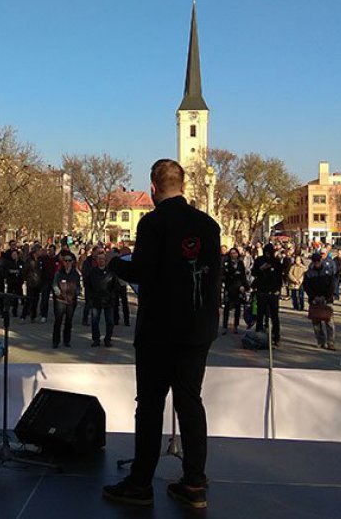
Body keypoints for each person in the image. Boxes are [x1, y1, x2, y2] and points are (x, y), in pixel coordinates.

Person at [103, 159, 221, 510]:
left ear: (153, 187)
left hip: (159, 331)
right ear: (182, 185)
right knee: (191, 403)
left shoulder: (153, 223)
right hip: (197, 330)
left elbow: (142, 272)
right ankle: (194, 483)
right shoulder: (209, 225)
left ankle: (140, 484)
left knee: (151, 406)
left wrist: (114, 262)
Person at [302, 252, 336, 350]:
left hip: (327, 300)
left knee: (329, 322)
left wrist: (326, 297)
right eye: (315, 262)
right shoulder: (309, 273)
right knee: (316, 323)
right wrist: (313, 297)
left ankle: (330, 342)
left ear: (321, 261)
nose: (316, 263)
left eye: (318, 261)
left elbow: (332, 286)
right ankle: (320, 341)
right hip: (314, 300)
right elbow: (307, 287)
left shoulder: (328, 272)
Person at [250, 243, 282, 346]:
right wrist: (261, 268)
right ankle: (258, 334)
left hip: (273, 292)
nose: (268, 255)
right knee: (260, 314)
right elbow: (253, 273)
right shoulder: (259, 260)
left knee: (274, 316)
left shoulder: (276, 262)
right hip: (262, 291)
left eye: (269, 253)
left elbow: (280, 277)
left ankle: (276, 336)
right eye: (266, 253)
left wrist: (278, 290)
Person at [85, 250, 117, 347]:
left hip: (108, 300)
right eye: (99, 259)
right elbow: (88, 286)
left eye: (103, 259)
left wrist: (112, 297)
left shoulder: (111, 272)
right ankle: (96, 339)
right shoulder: (92, 272)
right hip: (96, 300)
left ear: (105, 260)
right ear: (97, 260)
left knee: (110, 321)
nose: (101, 260)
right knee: (95, 321)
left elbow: (115, 286)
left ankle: (108, 339)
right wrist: (90, 298)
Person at [51, 253, 80, 349]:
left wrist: (77, 292)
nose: (67, 263)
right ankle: (56, 341)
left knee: (69, 321)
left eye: (69, 261)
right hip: (60, 300)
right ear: (63, 262)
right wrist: (58, 292)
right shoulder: (59, 273)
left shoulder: (75, 274)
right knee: (58, 321)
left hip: (71, 301)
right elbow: (54, 284)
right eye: (65, 261)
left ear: (72, 262)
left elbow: (78, 285)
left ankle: (66, 340)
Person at [221, 248, 247, 332]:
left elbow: (243, 275)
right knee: (227, 307)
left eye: (235, 253)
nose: (234, 255)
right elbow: (224, 274)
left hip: (238, 287)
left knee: (238, 307)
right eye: (232, 253)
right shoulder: (226, 263)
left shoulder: (240, 263)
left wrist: (244, 286)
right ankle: (224, 326)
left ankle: (236, 325)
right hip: (229, 287)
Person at [23, 245, 43, 322]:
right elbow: (25, 270)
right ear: (36, 251)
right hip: (31, 282)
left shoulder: (40, 260)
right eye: (39, 251)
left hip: (38, 282)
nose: (40, 252)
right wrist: (26, 279)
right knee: (28, 299)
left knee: (36, 300)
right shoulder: (29, 260)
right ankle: (23, 316)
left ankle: (33, 316)